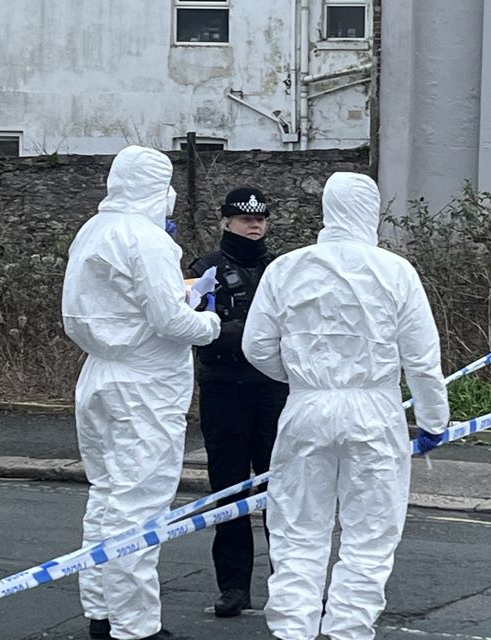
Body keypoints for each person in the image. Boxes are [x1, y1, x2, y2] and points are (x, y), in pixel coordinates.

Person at [242, 172, 450, 640]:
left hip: (306, 410)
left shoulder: (287, 268)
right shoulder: (395, 271)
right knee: (370, 534)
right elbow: (421, 360)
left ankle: (292, 631)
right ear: (370, 213)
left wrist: (300, 379)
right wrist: (434, 421)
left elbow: (257, 346)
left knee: (297, 530)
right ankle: (348, 632)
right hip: (375, 412)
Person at [61, 145, 221, 640]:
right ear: (156, 187)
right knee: (141, 508)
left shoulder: (93, 230)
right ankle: (135, 627)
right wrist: (210, 319)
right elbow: (171, 321)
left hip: (100, 376)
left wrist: (179, 295)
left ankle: (102, 612)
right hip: (144, 386)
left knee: (107, 499)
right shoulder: (145, 238)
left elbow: (113, 306)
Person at [186, 187, 289, 618]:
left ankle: (287, 586)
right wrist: (248, 333)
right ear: (226, 221)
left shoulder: (281, 269)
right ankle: (233, 588)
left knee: (281, 491)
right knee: (228, 490)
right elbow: (193, 326)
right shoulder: (204, 269)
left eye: (260, 218)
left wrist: (236, 330)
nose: (254, 225)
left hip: (273, 389)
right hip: (224, 388)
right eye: (245, 218)